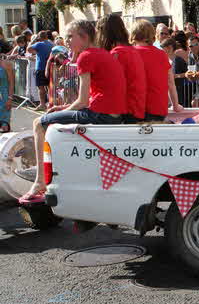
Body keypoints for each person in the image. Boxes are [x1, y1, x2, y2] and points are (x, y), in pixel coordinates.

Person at [20, 20, 128, 204]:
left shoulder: (86, 56)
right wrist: (63, 108)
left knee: (40, 124)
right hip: (112, 114)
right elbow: (87, 99)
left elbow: (82, 101)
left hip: (99, 116)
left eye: (70, 36)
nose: (67, 41)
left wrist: (64, 109)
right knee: (56, 120)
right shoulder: (103, 54)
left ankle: (40, 181)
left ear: (84, 37)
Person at [97, 15, 147, 123]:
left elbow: (111, 86)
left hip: (127, 110)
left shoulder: (117, 54)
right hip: (136, 107)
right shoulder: (131, 51)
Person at [132, 21, 184, 121]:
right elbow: (170, 82)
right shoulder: (161, 54)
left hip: (135, 109)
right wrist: (175, 105)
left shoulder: (129, 53)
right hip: (157, 109)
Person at [28, 30, 54, 111]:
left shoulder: (39, 44)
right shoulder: (51, 44)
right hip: (49, 68)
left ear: (39, 37)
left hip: (40, 68)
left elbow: (28, 49)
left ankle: (42, 104)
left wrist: (33, 40)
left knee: (41, 88)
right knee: (49, 87)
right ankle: (50, 103)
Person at [161, 38, 190, 108]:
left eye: (163, 48)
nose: (162, 51)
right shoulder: (164, 60)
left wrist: (176, 76)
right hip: (167, 92)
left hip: (178, 91)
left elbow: (187, 73)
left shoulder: (178, 60)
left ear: (170, 48)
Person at [0, 54, 14, 132]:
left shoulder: (7, 64)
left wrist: (10, 98)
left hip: (4, 97)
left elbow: (11, 82)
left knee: (5, 127)